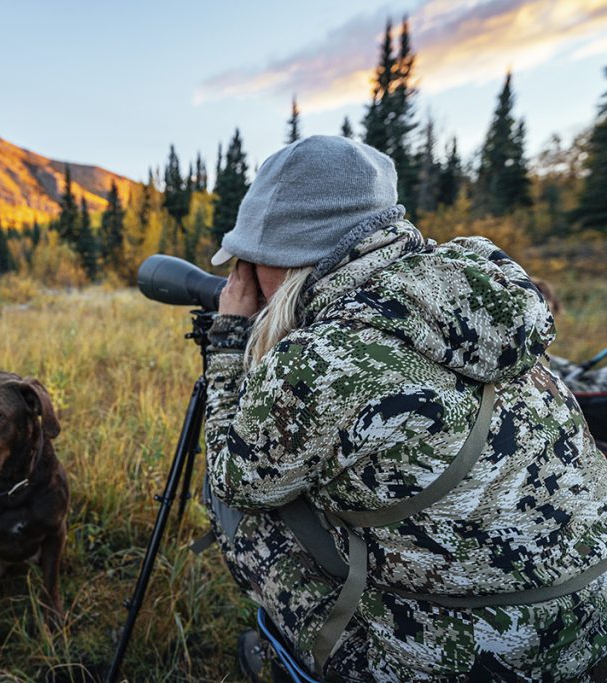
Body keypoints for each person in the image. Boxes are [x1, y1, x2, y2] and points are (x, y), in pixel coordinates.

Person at [201, 135, 607, 682]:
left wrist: (230, 338)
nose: (244, 281)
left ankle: (291, 655)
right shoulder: (475, 292)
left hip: (476, 662)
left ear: (281, 258)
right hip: (590, 620)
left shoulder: (322, 360)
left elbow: (234, 481)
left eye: (249, 264)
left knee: (233, 503)